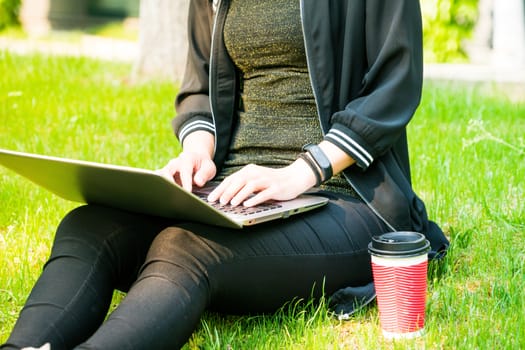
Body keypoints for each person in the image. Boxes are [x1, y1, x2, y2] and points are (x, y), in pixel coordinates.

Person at [2, 0, 449, 349]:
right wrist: (198, 152)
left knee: (184, 247)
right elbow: (199, 87)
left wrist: (301, 172)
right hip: (233, 192)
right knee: (89, 225)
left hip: (346, 196)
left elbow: (396, 85)